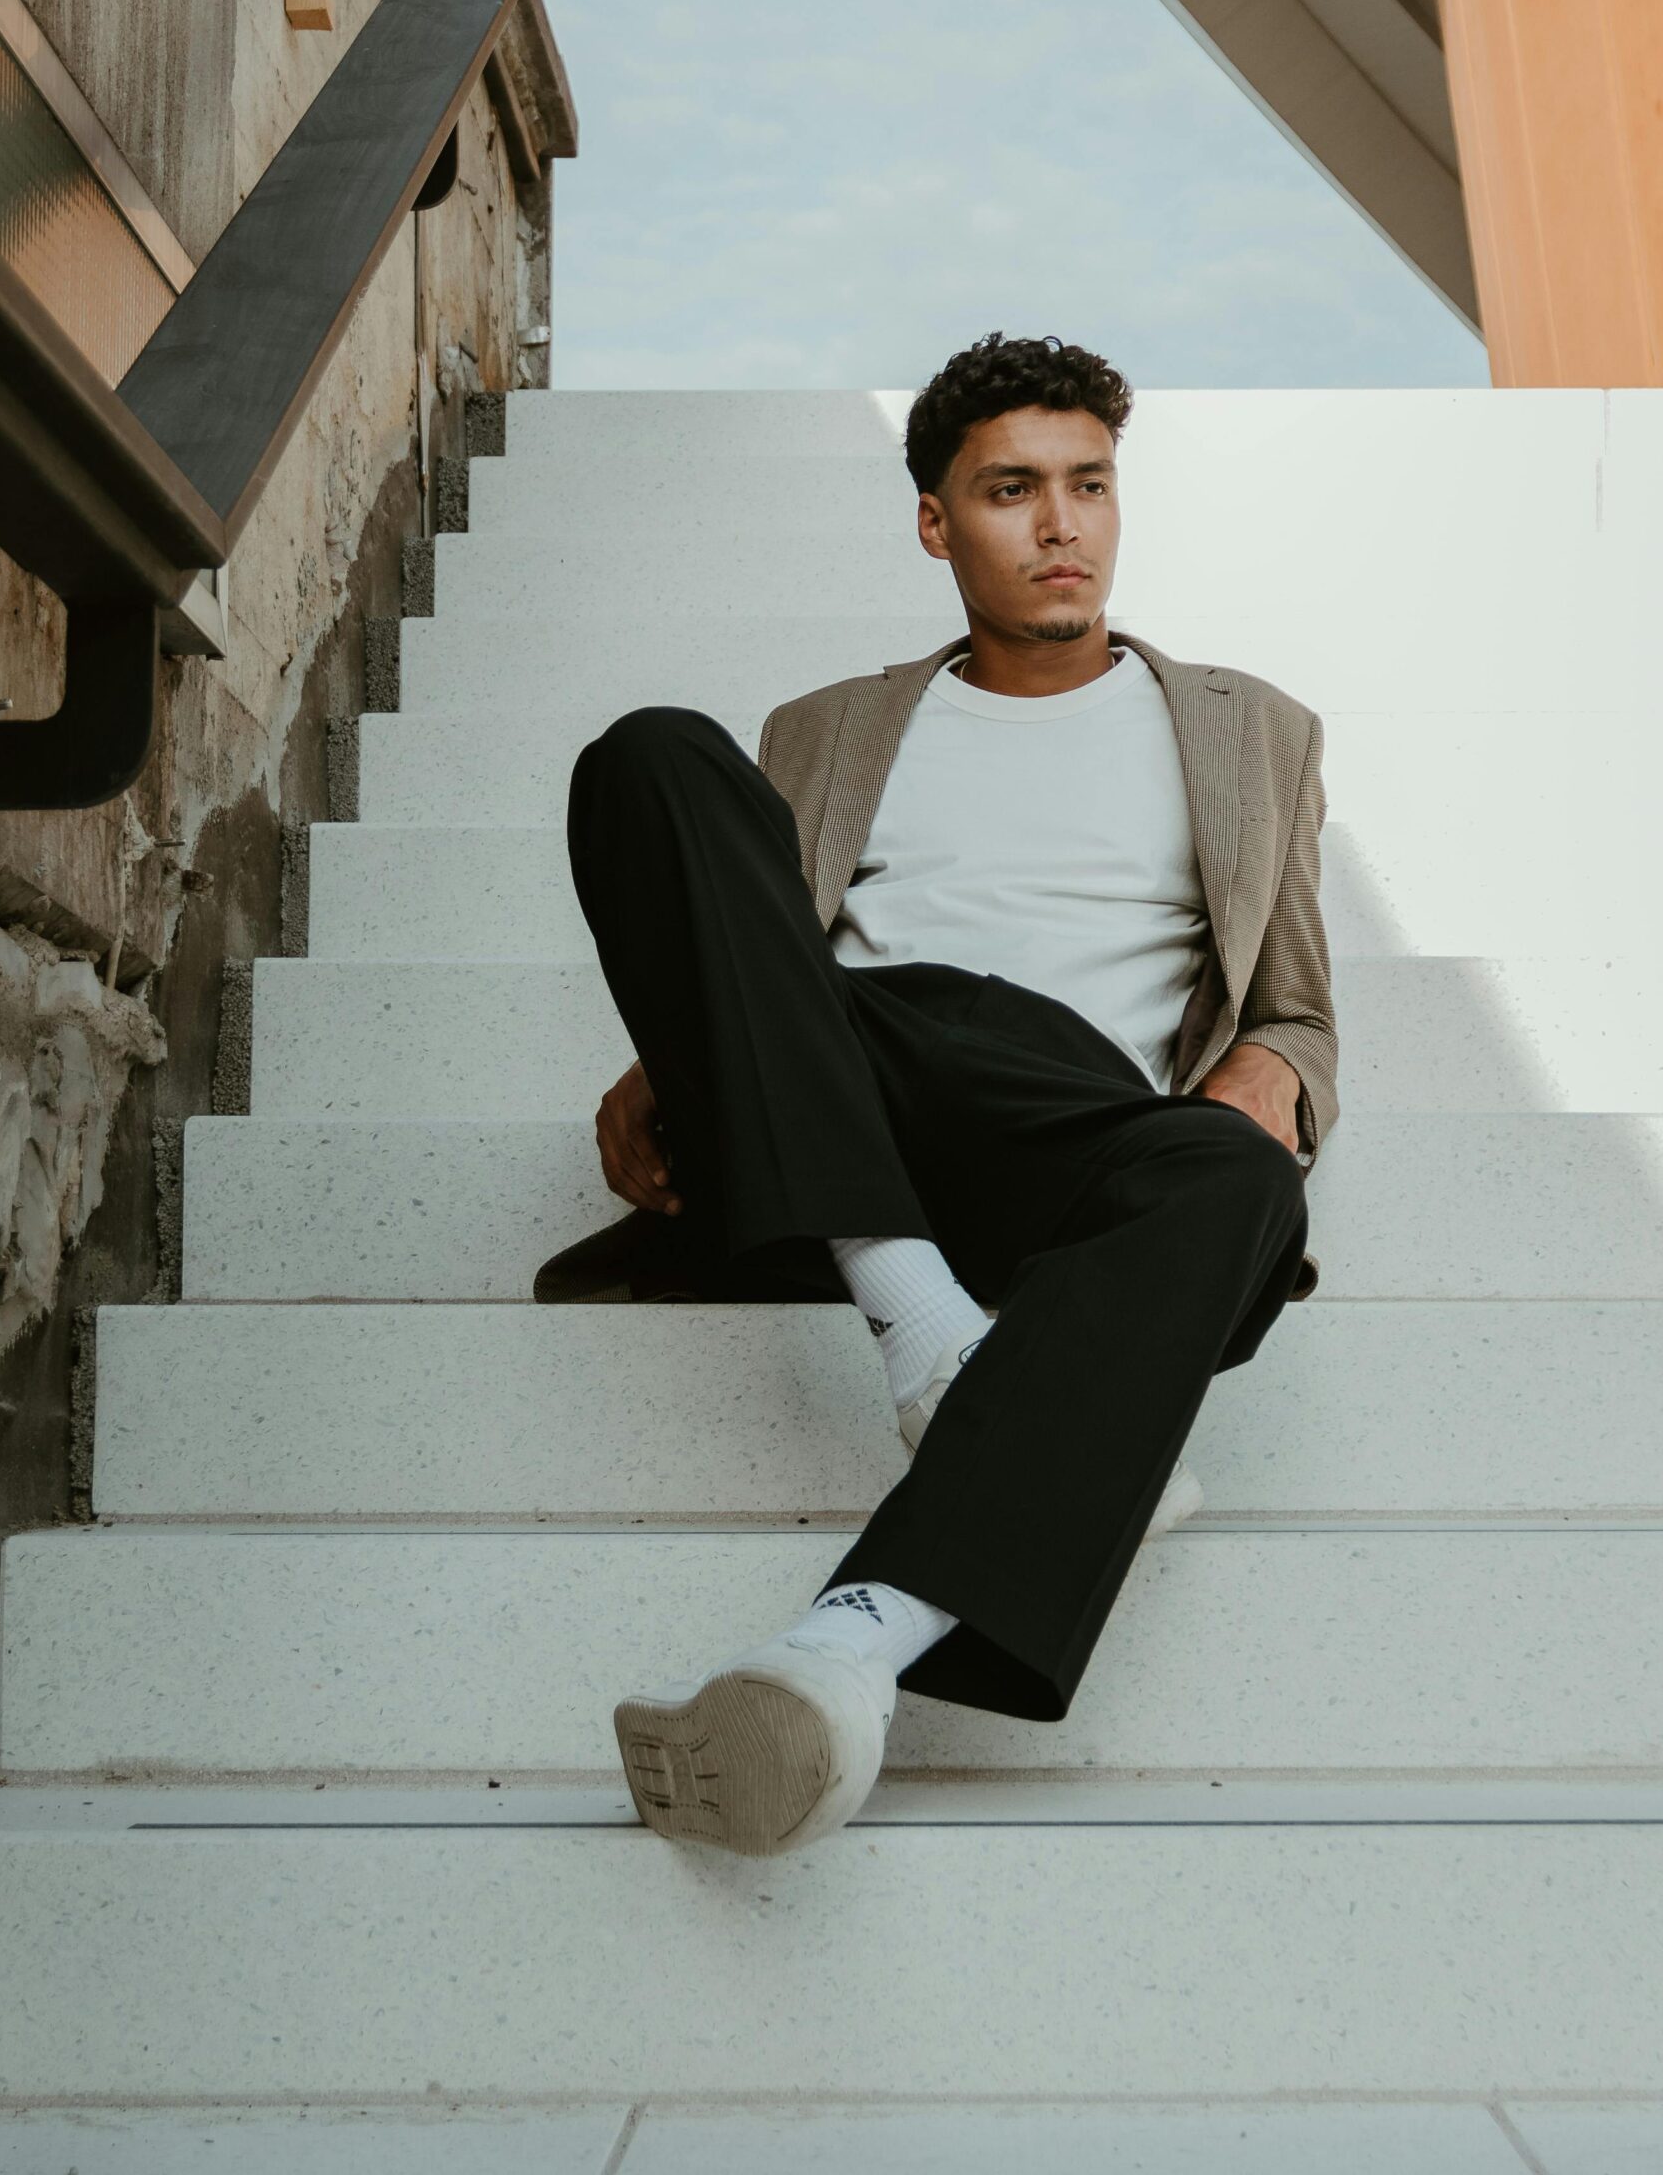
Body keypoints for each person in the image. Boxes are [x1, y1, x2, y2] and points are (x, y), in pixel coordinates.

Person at [537, 332, 1337, 1858]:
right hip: (869, 1076)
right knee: (652, 754)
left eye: (1090, 485)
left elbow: (1296, 1007)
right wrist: (685, 1049)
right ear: (935, 520)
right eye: (1012, 489)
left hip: (1075, 1117)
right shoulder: (827, 727)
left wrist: (1273, 1069)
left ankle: (843, 1654)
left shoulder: (1252, 730)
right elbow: (755, 944)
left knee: (1240, 1180)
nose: (1061, 524)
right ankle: (929, 1329)